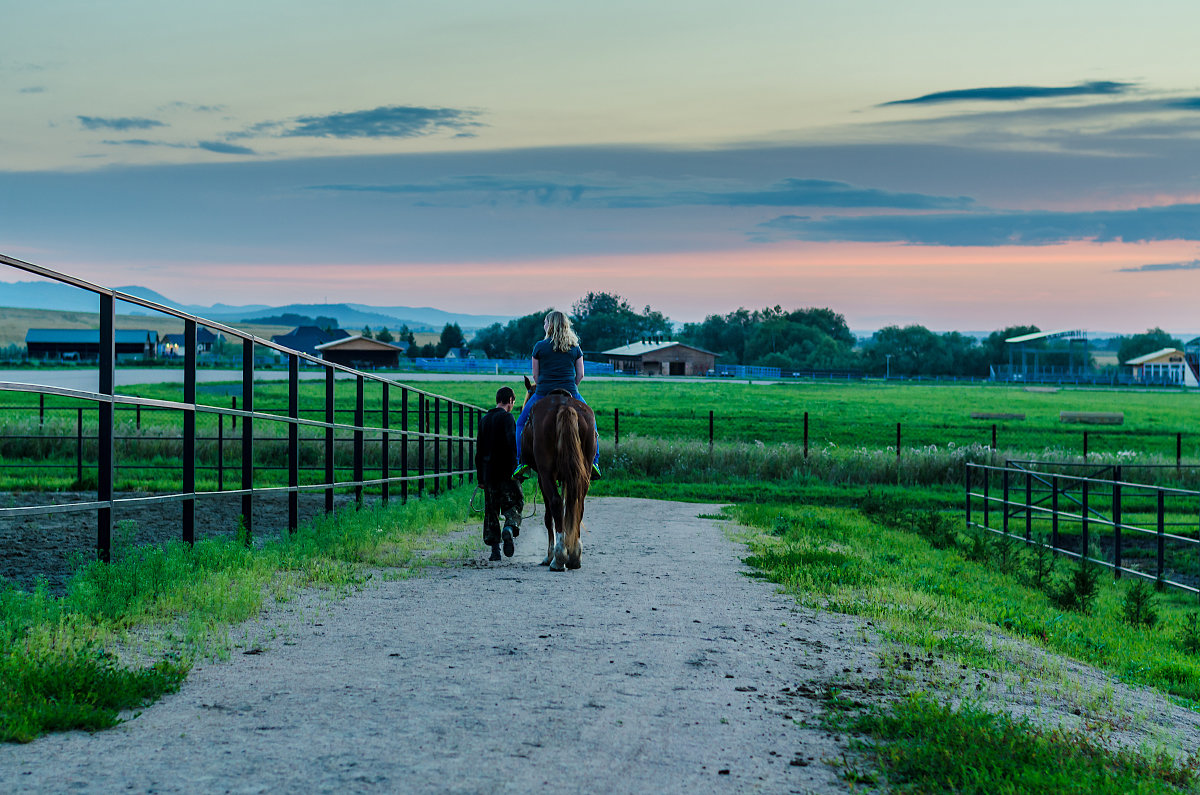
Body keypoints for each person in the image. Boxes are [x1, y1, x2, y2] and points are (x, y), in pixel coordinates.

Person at [513, 311, 601, 481]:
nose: (544, 325)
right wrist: (572, 388)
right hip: (571, 392)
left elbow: (536, 376)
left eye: (545, 322)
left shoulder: (539, 346)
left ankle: (521, 462)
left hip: (543, 393)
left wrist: (545, 386)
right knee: (591, 420)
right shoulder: (575, 347)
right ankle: (595, 462)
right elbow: (581, 374)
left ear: (550, 325)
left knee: (520, 423)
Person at [475, 386, 524, 561]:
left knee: (491, 511)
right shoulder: (508, 418)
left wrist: (481, 477)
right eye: (513, 402)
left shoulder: (484, 420)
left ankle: (495, 551)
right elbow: (513, 446)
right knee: (515, 503)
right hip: (506, 473)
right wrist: (517, 471)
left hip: (488, 474)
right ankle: (509, 529)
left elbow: (479, 451)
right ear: (510, 400)